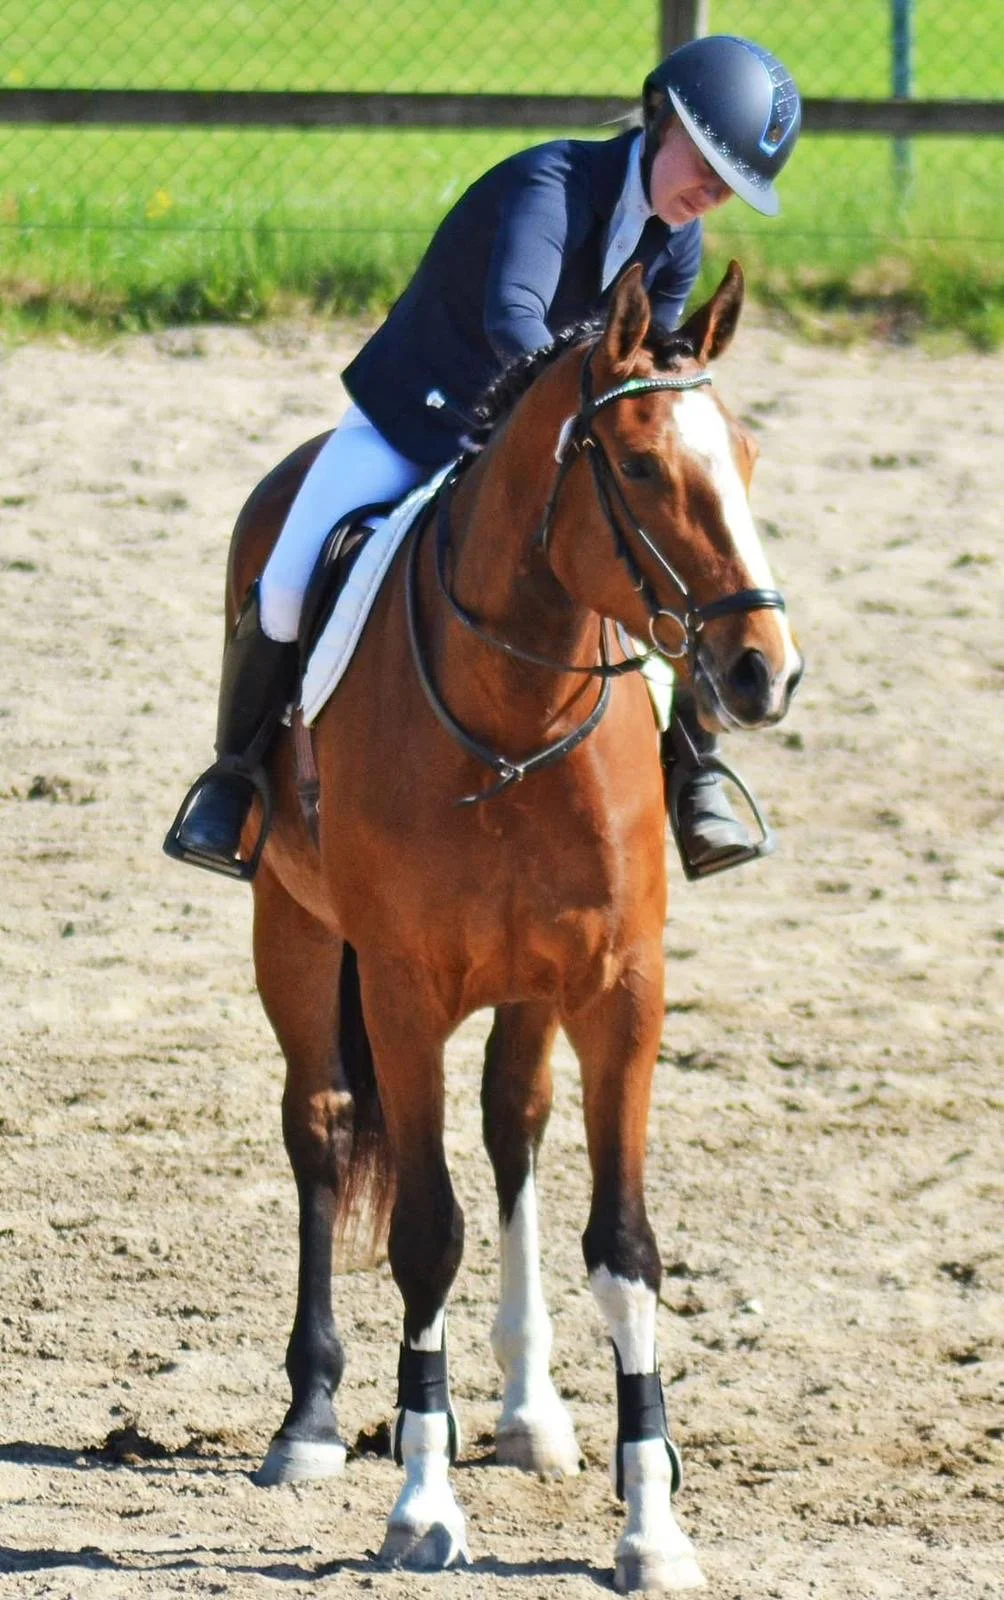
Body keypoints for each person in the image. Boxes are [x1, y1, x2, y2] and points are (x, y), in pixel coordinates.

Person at [164, 33, 801, 881]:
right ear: (662, 118)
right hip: (419, 417)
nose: (714, 193)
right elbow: (512, 320)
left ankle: (692, 776)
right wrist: (583, 423)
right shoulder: (551, 186)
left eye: (735, 185)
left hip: (546, 454)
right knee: (286, 578)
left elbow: (652, 362)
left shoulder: (677, 240)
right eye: (710, 163)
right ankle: (235, 781)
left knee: (661, 568)